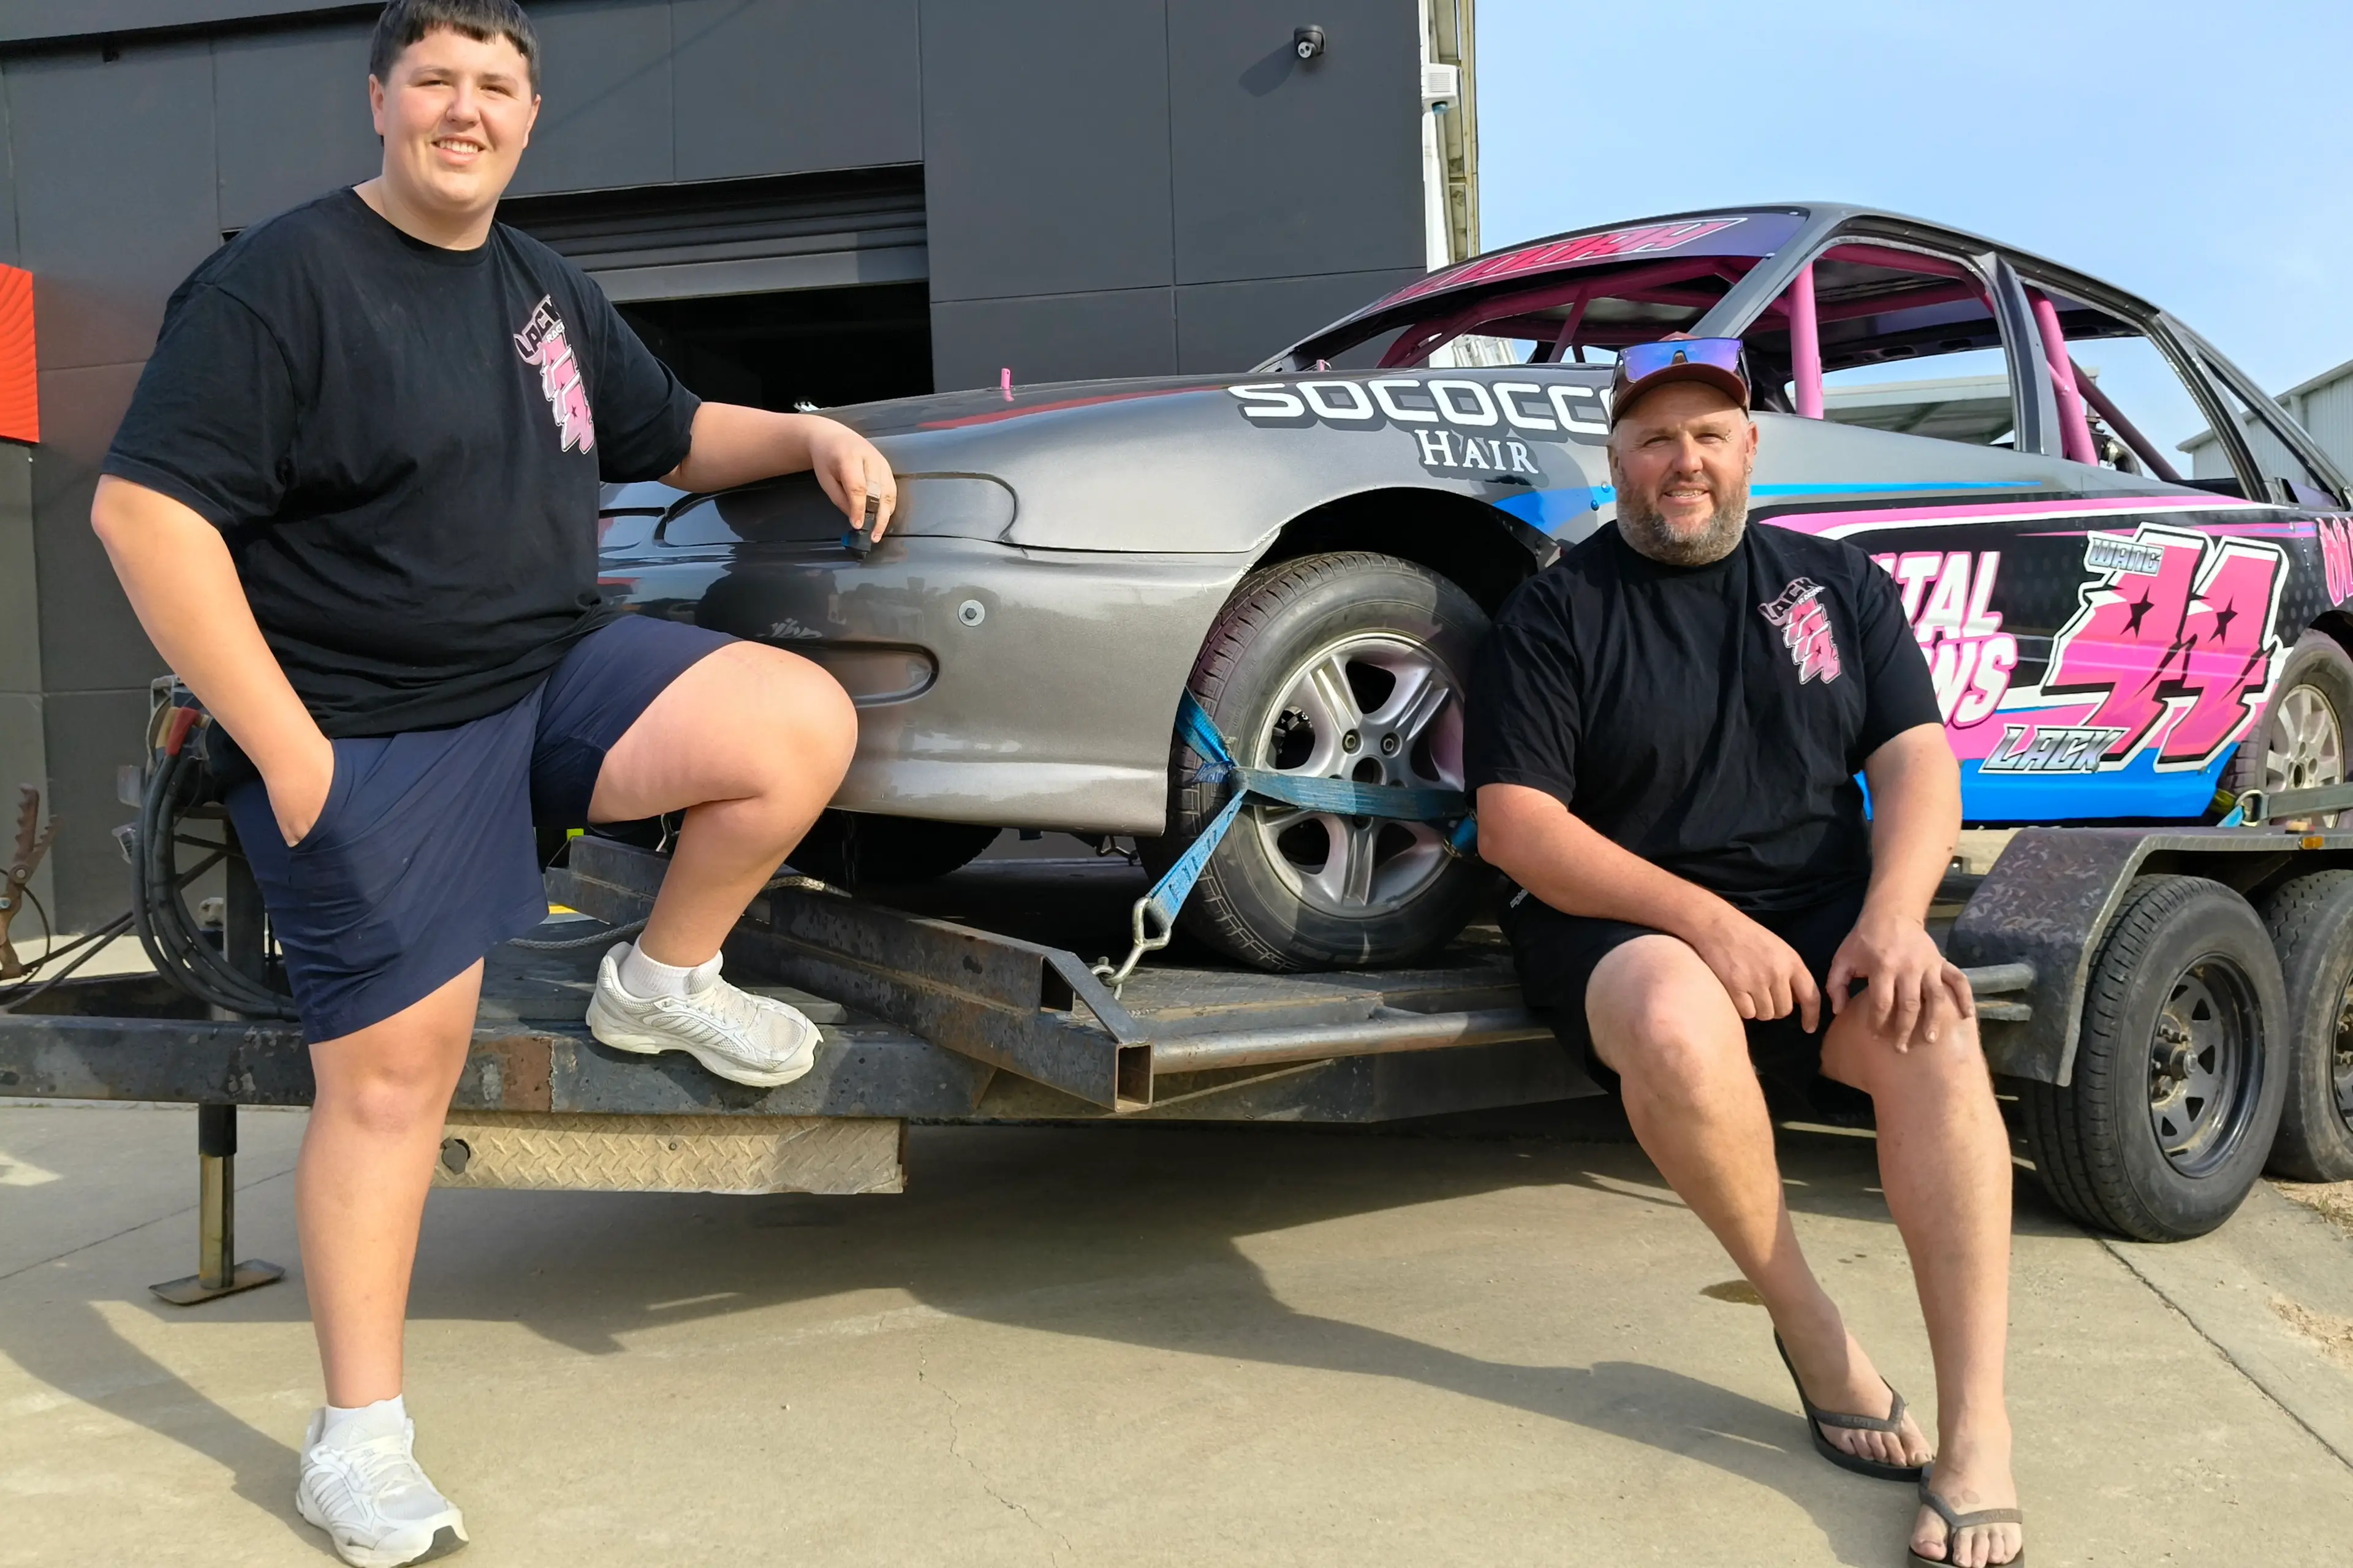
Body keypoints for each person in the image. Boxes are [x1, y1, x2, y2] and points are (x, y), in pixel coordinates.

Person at [91, 2, 892, 1561]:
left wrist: (807, 427)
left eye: (498, 86)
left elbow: (671, 432)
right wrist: (294, 753)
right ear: (379, 99)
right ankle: (359, 1441)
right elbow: (145, 519)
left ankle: (661, 977)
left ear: (531, 113)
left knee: (793, 726)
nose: (468, 110)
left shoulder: (545, 291)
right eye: (438, 81)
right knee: (397, 1078)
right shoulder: (283, 281)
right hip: (367, 725)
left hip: (544, 676)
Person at [1466, 338, 2025, 1568]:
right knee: (1676, 1012)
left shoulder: (1837, 587)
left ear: (1750, 449)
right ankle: (1811, 1327)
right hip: (1618, 922)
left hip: (1824, 909)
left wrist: (1893, 918)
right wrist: (1707, 924)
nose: (1685, 462)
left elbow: (1917, 758)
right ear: (1614, 459)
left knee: (1936, 1026)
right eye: (1655, 439)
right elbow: (1516, 824)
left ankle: (1978, 1431)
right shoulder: (1556, 611)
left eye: (1709, 436)